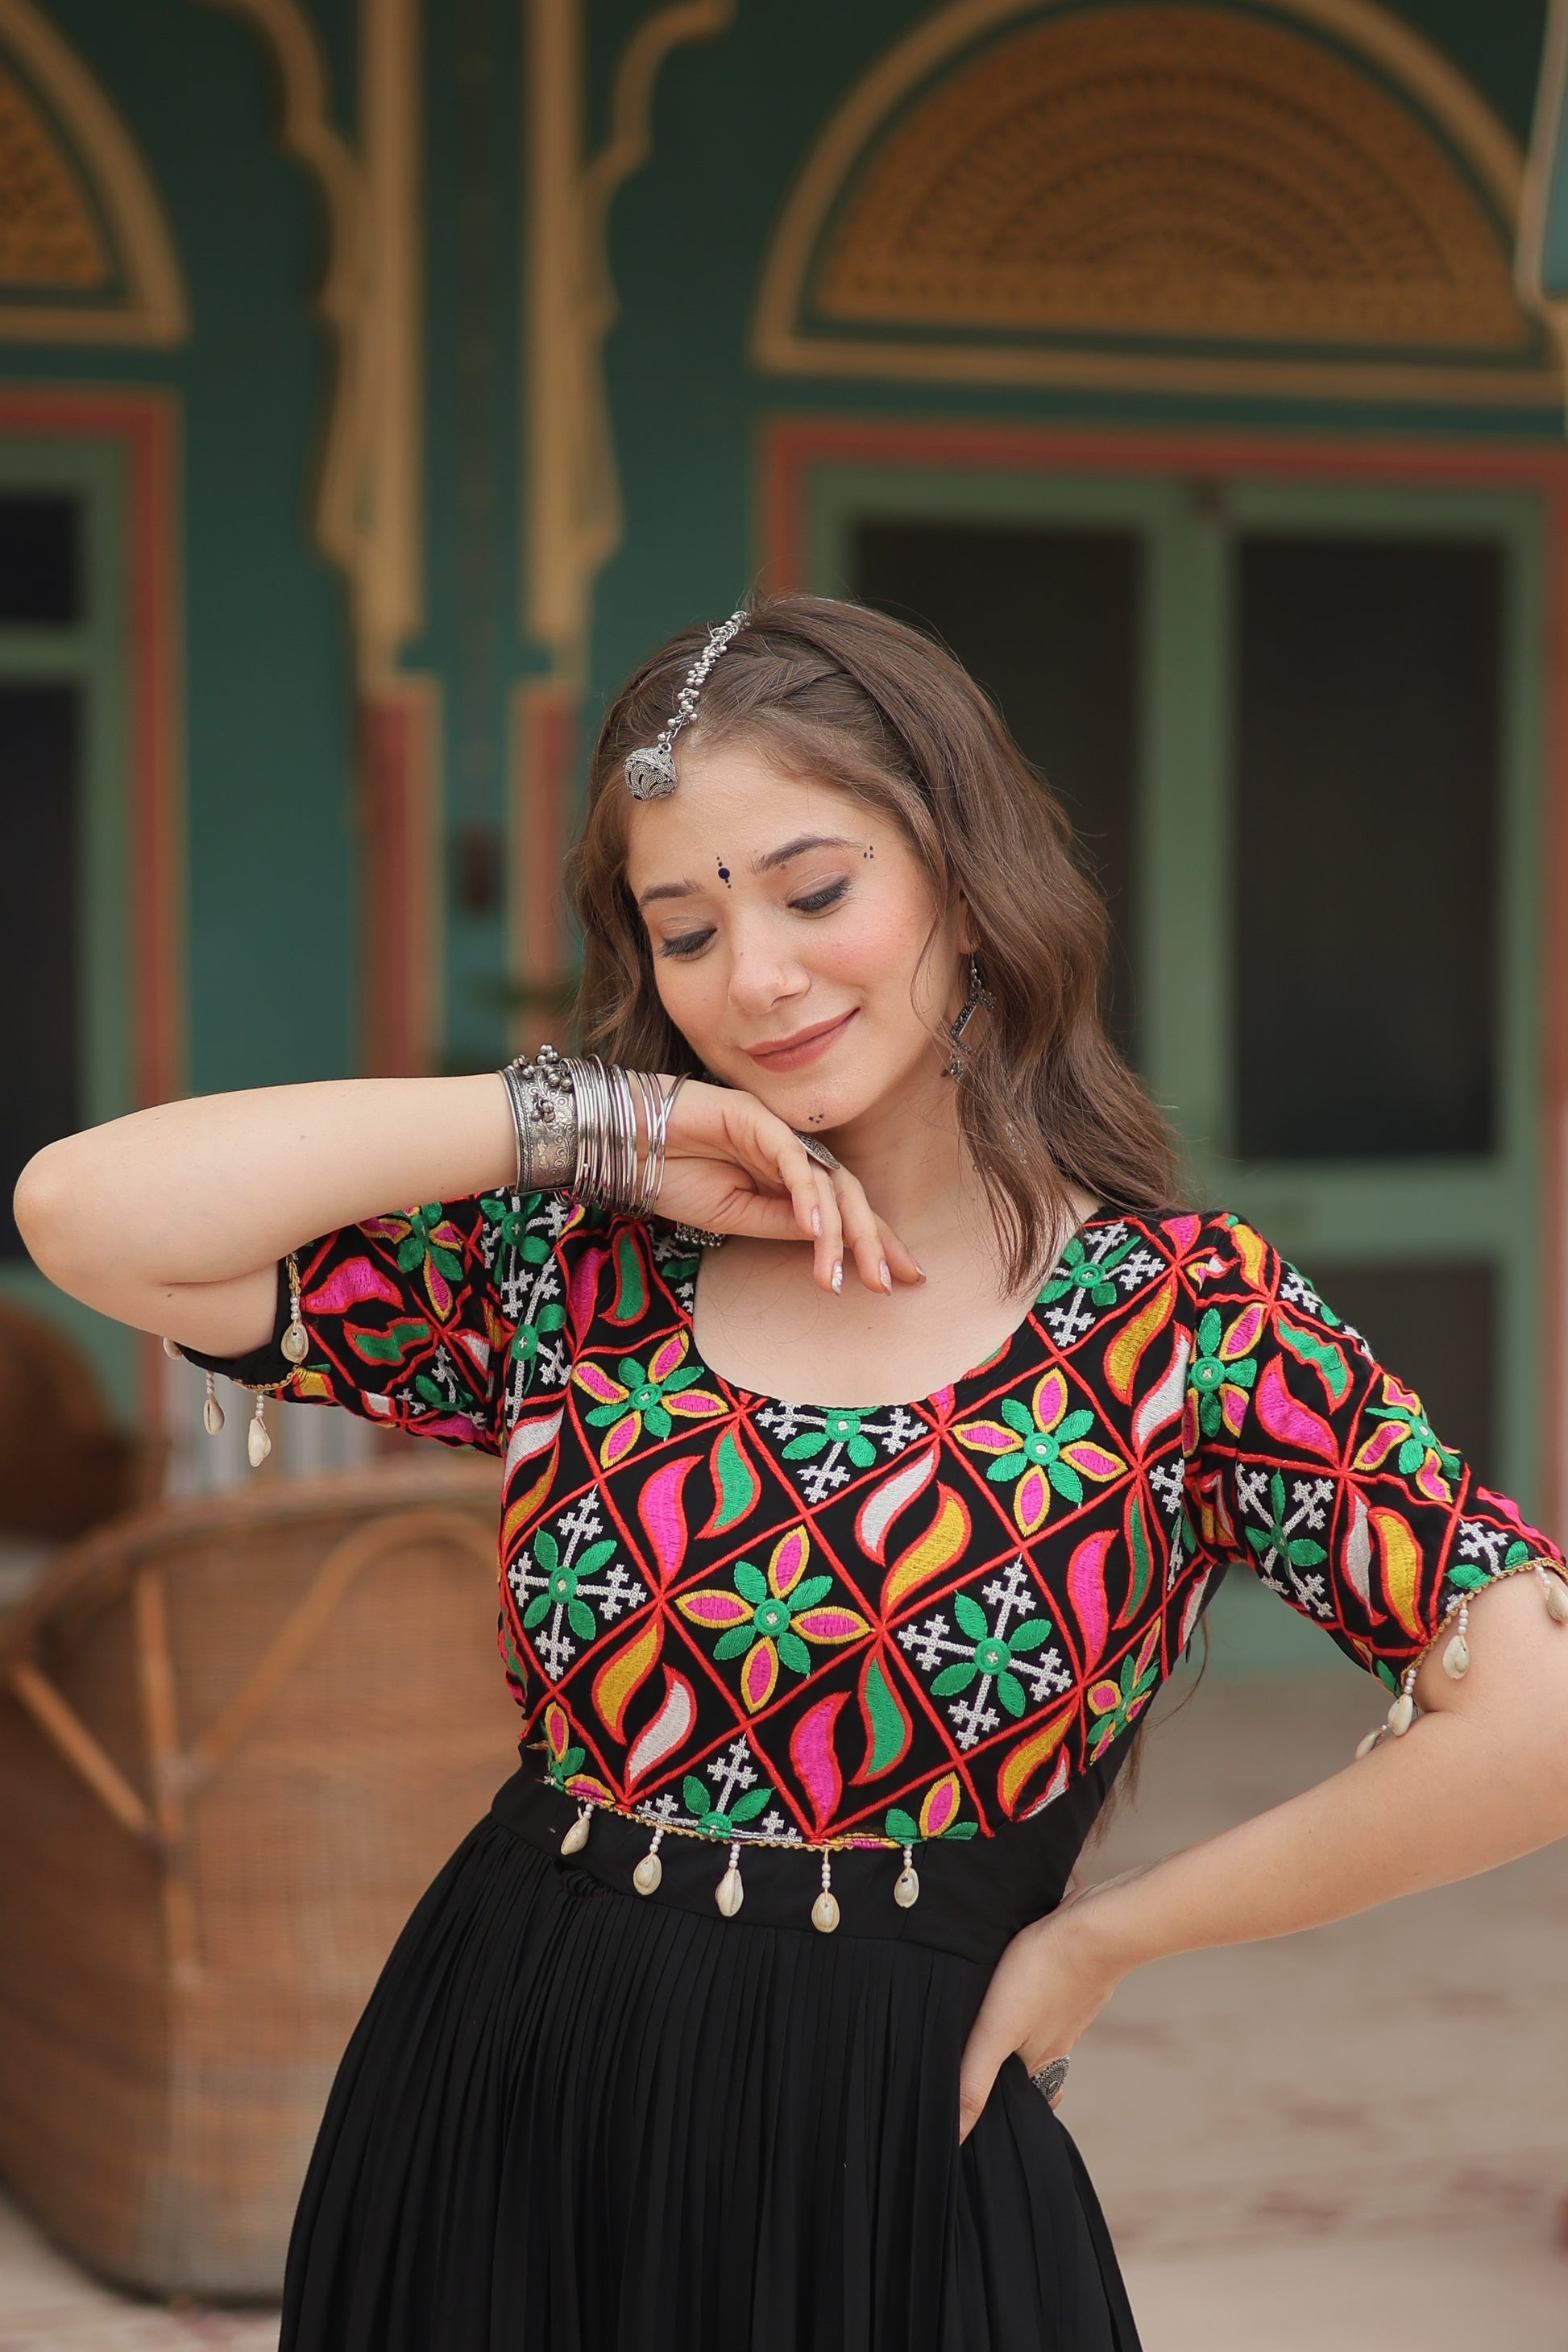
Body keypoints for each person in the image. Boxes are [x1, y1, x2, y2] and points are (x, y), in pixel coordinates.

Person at [15, 594, 1568, 2352]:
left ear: (966, 883)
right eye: (685, 928)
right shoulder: (581, 1274)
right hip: (499, 2101)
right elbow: (87, 1212)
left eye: (815, 892)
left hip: (892, 2167)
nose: (754, 977)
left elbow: (1535, 1721)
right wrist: (591, 1124)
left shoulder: (1182, 1325)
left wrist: (1107, 1939)